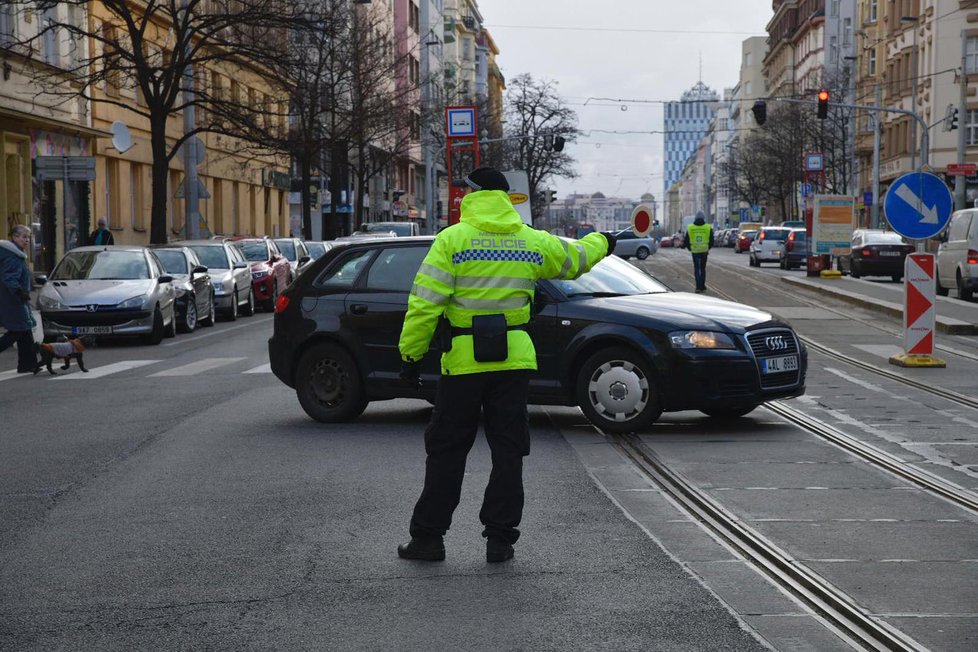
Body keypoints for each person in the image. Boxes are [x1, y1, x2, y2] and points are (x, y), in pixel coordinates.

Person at [396, 166, 616, 563]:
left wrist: (411, 355)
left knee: (447, 451)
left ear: (473, 195)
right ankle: (500, 540)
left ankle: (428, 538)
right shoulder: (529, 241)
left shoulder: (452, 241)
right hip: (513, 362)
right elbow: (576, 259)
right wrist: (604, 240)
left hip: (463, 363)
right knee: (508, 451)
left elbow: (424, 304)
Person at [0, 225, 40, 373]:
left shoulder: (17, 253)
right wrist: (19, 292)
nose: (27, 240)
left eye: (28, 237)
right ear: (15, 237)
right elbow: (9, 278)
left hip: (15, 297)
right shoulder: (12, 255)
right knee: (18, 330)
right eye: (24, 237)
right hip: (12, 299)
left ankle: (27, 364)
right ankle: (28, 364)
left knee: (25, 330)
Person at [683, 210, 714, 293]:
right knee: (703, 268)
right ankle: (702, 285)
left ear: (695, 218)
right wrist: (707, 248)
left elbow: (686, 240)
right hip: (704, 251)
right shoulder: (708, 227)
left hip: (695, 251)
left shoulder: (690, 227)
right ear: (703, 218)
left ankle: (697, 287)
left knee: (697, 268)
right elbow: (712, 240)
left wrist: (690, 248)